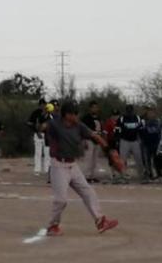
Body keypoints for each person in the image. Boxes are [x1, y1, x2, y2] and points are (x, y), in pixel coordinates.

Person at [39, 100, 119, 236]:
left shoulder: (78, 125)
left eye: (77, 113)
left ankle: (100, 221)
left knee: (88, 192)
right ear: (66, 115)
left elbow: (95, 136)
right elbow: (42, 127)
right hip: (59, 165)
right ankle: (53, 226)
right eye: (73, 113)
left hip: (72, 165)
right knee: (61, 200)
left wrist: (109, 150)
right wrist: (44, 121)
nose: (76, 116)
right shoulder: (55, 124)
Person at [115, 104, 143, 182]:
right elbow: (117, 130)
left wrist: (141, 140)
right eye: (128, 111)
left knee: (139, 158)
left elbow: (140, 129)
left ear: (133, 111)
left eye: (131, 110)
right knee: (122, 159)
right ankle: (122, 175)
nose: (129, 112)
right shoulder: (122, 119)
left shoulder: (137, 118)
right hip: (124, 141)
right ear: (126, 111)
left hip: (135, 141)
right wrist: (117, 140)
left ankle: (141, 175)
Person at [26, 98, 51, 176]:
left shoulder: (48, 113)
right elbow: (29, 123)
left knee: (47, 152)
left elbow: (50, 124)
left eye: (45, 104)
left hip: (47, 135)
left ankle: (47, 169)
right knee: (38, 152)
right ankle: (37, 170)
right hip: (37, 135)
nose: (43, 106)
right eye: (42, 104)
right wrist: (36, 132)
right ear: (39, 105)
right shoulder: (35, 113)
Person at [79, 100, 103, 182]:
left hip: (97, 140)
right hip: (89, 140)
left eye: (96, 107)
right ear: (90, 108)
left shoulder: (99, 117)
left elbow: (100, 129)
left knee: (95, 160)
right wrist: (83, 140)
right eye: (93, 108)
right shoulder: (86, 118)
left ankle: (92, 175)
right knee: (88, 159)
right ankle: (85, 176)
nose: (95, 109)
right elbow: (82, 129)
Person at [139, 105, 162, 181]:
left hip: (155, 143)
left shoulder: (157, 121)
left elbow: (156, 131)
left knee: (157, 160)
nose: (150, 113)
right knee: (146, 160)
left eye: (151, 111)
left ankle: (159, 175)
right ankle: (149, 175)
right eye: (148, 111)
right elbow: (140, 131)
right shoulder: (142, 120)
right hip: (146, 143)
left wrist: (145, 129)